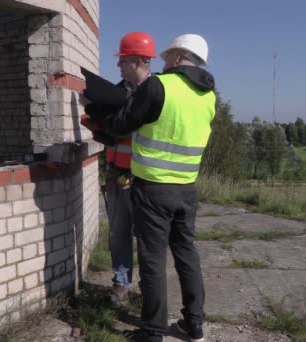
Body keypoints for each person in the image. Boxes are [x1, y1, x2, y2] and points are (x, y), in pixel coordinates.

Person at [91, 34, 215, 342]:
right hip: (187, 189)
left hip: (153, 189)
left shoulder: (158, 85)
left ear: (176, 57)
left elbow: (122, 125)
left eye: (167, 55)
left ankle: (153, 331)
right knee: (187, 254)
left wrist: (96, 114)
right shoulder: (208, 95)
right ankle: (193, 325)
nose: (163, 60)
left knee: (153, 259)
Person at [80, 32, 156, 304]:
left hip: (143, 178)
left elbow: (127, 127)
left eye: (122, 61)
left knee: (147, 238)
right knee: (118, 234)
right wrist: (94, 119)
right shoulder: (117, 91)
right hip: (116, 174)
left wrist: (104, 118)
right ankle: (121, 283)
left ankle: (150, 288)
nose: (118, 66)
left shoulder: (153, 94)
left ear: (137, 60)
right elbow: (109, 127)